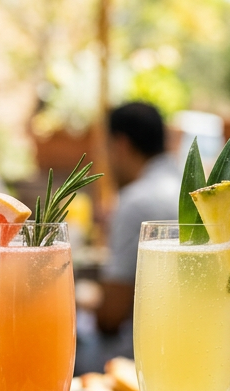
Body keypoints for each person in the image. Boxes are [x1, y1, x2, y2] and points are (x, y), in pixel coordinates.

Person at [91, 102, 180, 362]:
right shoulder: (194, 188)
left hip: (144, 356)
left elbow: (110, 316)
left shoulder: (136, 202)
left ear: (120, 144)